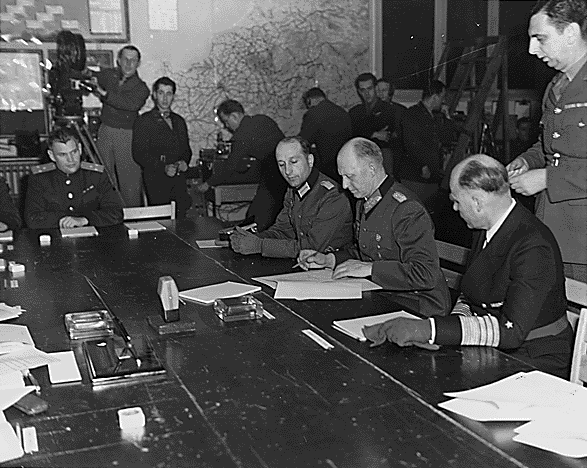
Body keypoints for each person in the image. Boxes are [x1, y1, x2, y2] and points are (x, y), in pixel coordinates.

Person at [364, 155, 572, 378]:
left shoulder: (533, 245)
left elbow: (511, 333)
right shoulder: (487, 229)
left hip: (535, 357)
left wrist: (429, 330)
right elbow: (470, 296)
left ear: (477, 202)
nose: (454, 208)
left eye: (456, 201)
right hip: (495, 349)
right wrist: (444, 330)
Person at [297, 137, 451, 317]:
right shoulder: (364, 202)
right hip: (384, 294)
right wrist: (329, 259)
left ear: (371, 168)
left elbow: (425, 273)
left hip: (418, 305)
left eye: (350, 176)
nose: (345, 185)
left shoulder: (406, 209)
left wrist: (369, 269)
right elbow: (366, 252)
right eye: (342, 177)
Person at [507, 0, 587, 282]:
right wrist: (526, 162)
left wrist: (547, 179)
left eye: (540, 39)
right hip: (549, 228)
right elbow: (548, 147)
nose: (532, 49)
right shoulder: (555, 87)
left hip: (582, 243)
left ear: (571, 32)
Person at [230, 136, 353, 258]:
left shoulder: (333, 196)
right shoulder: (294, 190)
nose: (288, 171)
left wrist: (260, 245)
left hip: (333, 267)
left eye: (293, 162)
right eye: (281, 165)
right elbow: (282, 231)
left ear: (310, 160)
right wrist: (248, 240)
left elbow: (312, 248)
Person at [196, 99, 287, 231]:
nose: (227, 126)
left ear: (234, 116)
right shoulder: (263, 119)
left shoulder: (242, 135)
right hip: (287, 172)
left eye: (226, 121)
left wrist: (208, 184)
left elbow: (229, 168)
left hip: (273, 176)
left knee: (255, 216)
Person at [24, 126, 123, 229]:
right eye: (62, 155)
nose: (71, 159)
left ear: (79, 149)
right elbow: (32, 218)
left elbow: (115, 212)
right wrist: (64, 220)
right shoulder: (40, 179)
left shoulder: (96, 175)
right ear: (52, 155)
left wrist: (84, 219)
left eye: (74, 152)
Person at [93, 45, 150, 207]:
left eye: (133, 60)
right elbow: (93, 75)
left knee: (129, 182)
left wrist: (105, 94)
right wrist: (85, 76)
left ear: (138, 63)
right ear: (119, 60)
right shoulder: (110, 75)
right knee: (104, 179)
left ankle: (133, 222)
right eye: (125, 59)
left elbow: (129, 104)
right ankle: (109, 216)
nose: (129, 63)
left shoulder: (142, 88)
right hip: (105, 131)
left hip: (127, 135)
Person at [132, 77, 192, 217]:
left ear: (174, 96)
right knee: (162, 223)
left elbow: (186, 149)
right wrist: (163, 167)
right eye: (161, 93)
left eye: (169, 93)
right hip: (156, 181)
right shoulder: (144, 121)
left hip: (179, 182)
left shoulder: (179, 121)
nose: (165, 98)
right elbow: (139, 154)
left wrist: (185, 162)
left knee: (182, 221)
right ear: (154, 95)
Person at [399, 80, 449, 206]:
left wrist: (447, 117)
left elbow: (446, 138)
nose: (442, 101)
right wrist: (422, 165)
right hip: (415, 175)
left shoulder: (435, 117)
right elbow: (411, 143)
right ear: (435, 96)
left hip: (431, 175)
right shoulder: (412, 114)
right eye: (442, 97)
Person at [349, 73, 398, 177]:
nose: (367, 93)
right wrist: (374, 133)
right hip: (361, 161)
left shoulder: (389, 109)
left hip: (382, 160)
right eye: (363, 90)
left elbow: (387, 134)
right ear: (359, 92)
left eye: (369, 88)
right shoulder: (355, 111)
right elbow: (352, 133)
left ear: (376, 88)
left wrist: (365, 132)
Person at [299, 87, 353, 183]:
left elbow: (303, 141)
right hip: (347, 162)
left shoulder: (313, 114)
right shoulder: (342, 112)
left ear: (309, 100)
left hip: (327, 167)